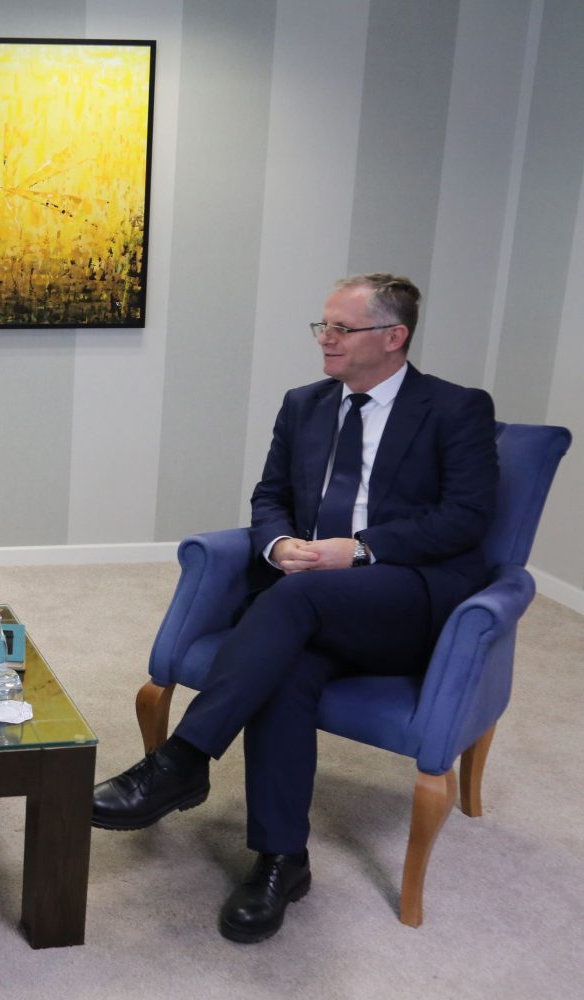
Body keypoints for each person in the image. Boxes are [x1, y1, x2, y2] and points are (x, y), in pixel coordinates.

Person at [92, 273, 498, 943]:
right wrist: (279, 543)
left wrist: (359, 550)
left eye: (342, 327)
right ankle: (282, 861)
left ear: (393, 337)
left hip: (405, 598)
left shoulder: (455, 408)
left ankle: (182, 760)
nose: (325, 339)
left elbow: (465, 518)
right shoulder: (304, 404)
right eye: (322, 326)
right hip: (306, 598)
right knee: (287, 667)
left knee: (295, 599)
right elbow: (269, 495)